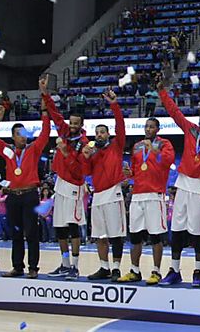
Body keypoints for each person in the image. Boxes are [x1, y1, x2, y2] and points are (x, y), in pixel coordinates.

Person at [157, 76, 200, 287]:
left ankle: (197, 271)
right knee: (177, 229)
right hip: (183, 183)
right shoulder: (190, 129)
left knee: (197, 232)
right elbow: (174, 112)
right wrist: (162, 92)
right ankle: (174, 270)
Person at [0, 99, 51, 278]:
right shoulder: (8, 151)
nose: (23, 137)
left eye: (25, 133)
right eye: (19, 134)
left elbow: (45, 133)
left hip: (30, 195)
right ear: (13, 137)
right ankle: (17, 266)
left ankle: (33, 268)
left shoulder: (33, 149)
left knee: (31, 233)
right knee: (15, 233)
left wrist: (44, 112)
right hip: (13, 197)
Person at [116, 118, 175, 285]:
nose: (148, 129)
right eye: (146, 127)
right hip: (137, 195)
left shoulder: (165, 144)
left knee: (156, 236)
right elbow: (135, 171)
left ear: (157, 129)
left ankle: (156, 271)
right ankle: (135, 270)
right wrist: (128, 174)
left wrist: (154, 151)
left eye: (151, 127)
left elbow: (167, 162)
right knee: (135, 236)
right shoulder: (137, 146)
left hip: (154, 195)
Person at [41, 78, 87, 280]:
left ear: (82, 125)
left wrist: (64, 152)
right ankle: (65, 264)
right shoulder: (65, 132)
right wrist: (44, 93)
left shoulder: (84, 143)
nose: (73, 126)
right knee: (59, 227)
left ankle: (75, 267)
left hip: (75, 187)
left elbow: (79, 171)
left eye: (76, 123)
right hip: (60, 185)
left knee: (72, 227)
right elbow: (55, 114)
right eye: (71, 123)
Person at [79, 89, 127, 281]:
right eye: (97, 133)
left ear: (108, 134)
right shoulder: (93, 152)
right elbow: (86, 172)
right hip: (98, 195)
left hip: (113, 192)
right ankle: (104, 267)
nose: (99, 135)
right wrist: (85, 157)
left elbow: (121, 126)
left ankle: (116, 268)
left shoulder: (117, 145)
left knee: (116, 234)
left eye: (102, 132)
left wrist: (114, 105)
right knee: (100, 235)